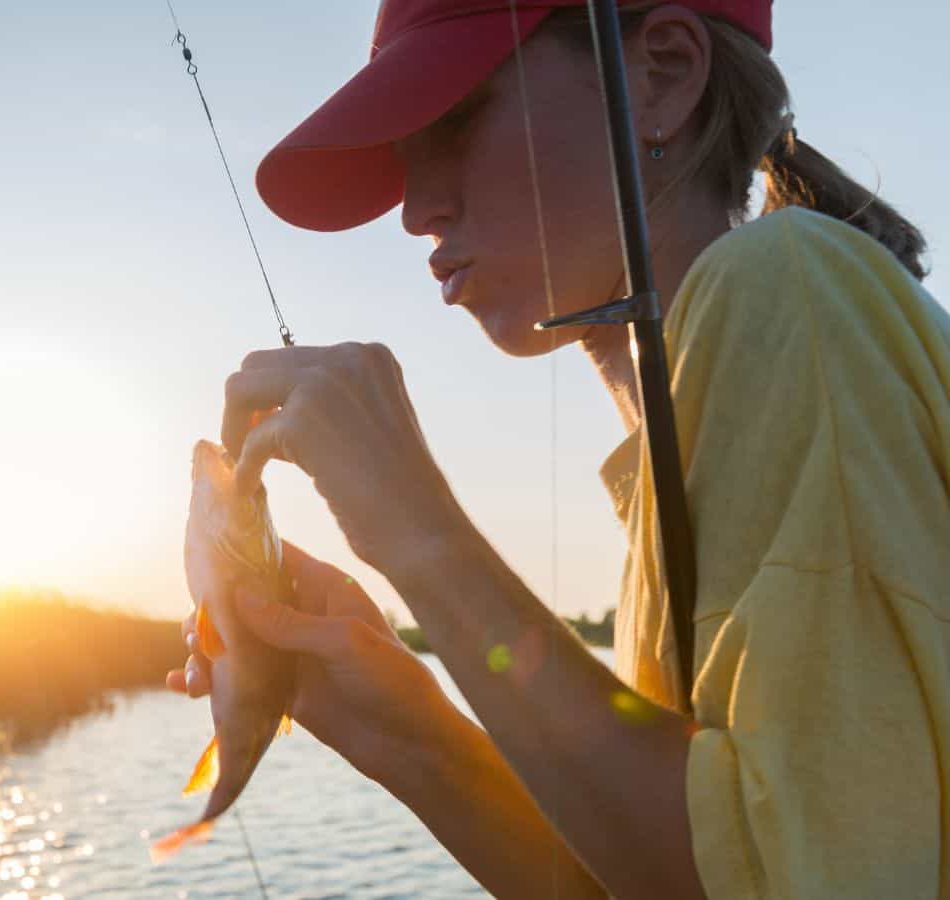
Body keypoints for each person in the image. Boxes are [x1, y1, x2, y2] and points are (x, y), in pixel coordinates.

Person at [164, 1, 949, 897]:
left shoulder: (786, 281)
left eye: (455, 119)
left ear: (661, 74)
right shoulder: (688, 441)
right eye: (401, 158)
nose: (416, 208)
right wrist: (401, 728)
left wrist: (420, 535)